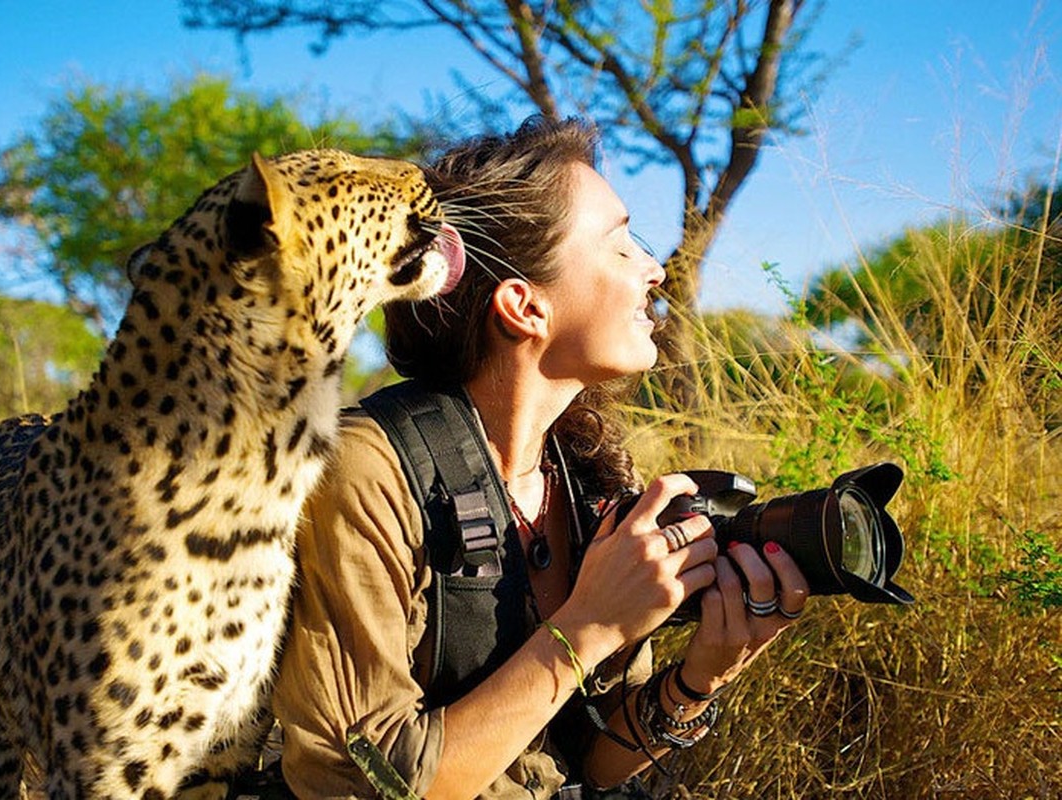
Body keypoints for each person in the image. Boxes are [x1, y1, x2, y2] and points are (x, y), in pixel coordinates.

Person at [270, 117, 810, 799]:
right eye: (619, 247)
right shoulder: (364, 470)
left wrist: (697, 677)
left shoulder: (581, 476)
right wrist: (586, 626)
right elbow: (360, 783)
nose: (655, 270)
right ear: (523, 307)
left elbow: (590, 759)